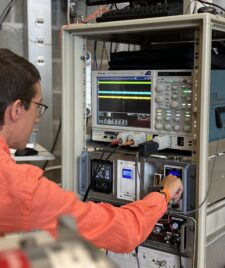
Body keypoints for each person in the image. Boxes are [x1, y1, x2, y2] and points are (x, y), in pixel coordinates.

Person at [0, 49, 183, 253]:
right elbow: (126, 230)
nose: (36, 118)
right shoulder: (22, 189)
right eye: (38, 106)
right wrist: (163, 193)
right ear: (16, 110)